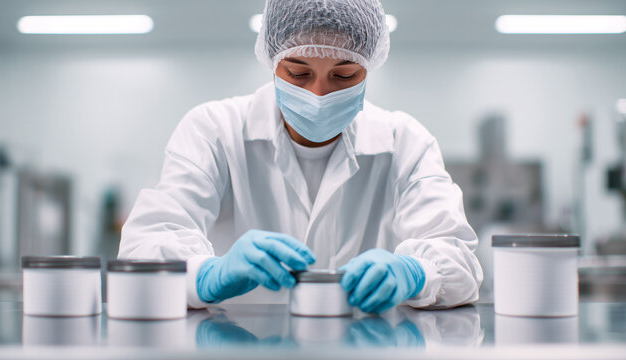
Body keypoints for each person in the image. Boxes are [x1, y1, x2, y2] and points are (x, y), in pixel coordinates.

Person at [119, 0, 483, 313]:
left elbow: (460, 261)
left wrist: (414, 273)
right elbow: (143, 251)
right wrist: (206, 275)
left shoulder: (406, 143)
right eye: (298, 73)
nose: (319, 93)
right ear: (273, 63)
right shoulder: (213, 130)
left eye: (344, 75)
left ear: (368, 69)